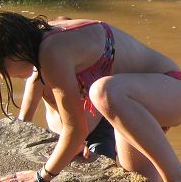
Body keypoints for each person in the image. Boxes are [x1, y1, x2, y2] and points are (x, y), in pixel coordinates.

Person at [0, 12, 181, 182]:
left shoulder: (51, 51)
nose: (2, 74)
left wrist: (41, 177)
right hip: (140, 103)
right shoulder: (48, 39)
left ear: (15, 48)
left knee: (103, 91)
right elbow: (74, 123)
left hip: (170, 90)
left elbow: (75, 129)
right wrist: (71, 145)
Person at [17, 17, 116, 161]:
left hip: (98, 129)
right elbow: (24, 120)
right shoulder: (38, 76)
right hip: (61, 133)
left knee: (104, 159)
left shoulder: (89, 65)